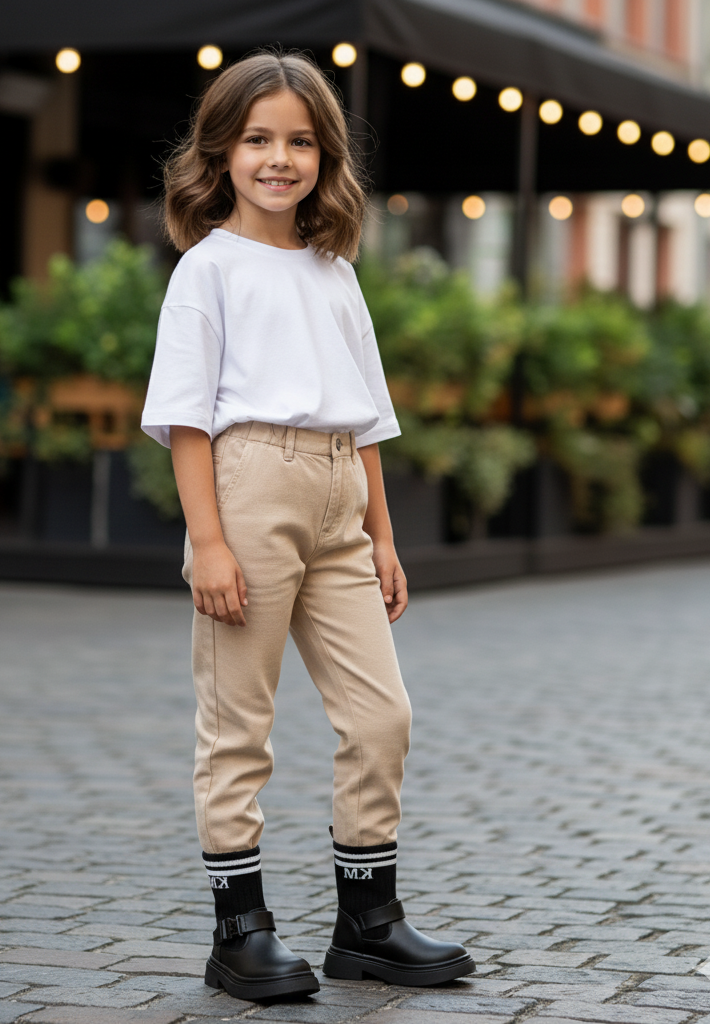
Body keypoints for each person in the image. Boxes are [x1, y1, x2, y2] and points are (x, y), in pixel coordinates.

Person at [140, 49, 475, 1001]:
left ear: (325, 157)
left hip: (338, 496)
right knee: (239, 721)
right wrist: (208, 540)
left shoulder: (335, 270)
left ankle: (369, 922)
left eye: (298, 141)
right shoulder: (208, 270)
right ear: (221, 154)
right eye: (257, 140)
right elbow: (188, 417)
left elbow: (366, 411)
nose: (278, 159)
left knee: (383, 714)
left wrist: (383, 533)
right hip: (250, 488)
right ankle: (239, 930)